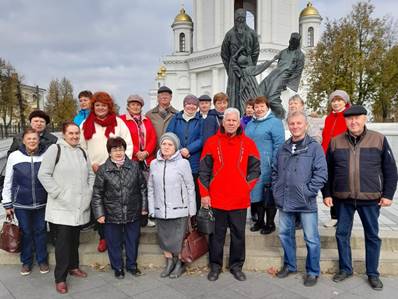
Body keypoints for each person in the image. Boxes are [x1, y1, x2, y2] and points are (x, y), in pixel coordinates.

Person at [322, 105, 398, 291]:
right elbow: (326, 171)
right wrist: (327, 193)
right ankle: (345, 269)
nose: (353, 122)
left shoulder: (378, 139)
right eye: (349, 119)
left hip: (370, 198)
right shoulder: (335, 142)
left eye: (357, 118)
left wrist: (388, 194)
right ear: (345, 121)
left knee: (372, 236)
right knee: (341, 234)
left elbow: (390, 169)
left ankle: (372, 273)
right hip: (343, 198)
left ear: (365, 119)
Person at [199, 108, 260, 282]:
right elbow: (204, 171)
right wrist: (205, 194)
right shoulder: (211, 142)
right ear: (223, 122)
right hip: (216, 198)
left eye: (234, 120)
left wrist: (245, 187)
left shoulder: (249, 143)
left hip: (239, 199)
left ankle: (236, 266)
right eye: (228, 120)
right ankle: (215, 266)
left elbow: (256, 170)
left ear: (238, 122)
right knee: (216, 236)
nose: (231, 123)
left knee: (238, 235)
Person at [38, 122, 95, 294]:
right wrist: (58, 193)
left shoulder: (82, 152)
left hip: (79, 206)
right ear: (64, 134)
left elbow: (90, 174)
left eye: (77, 133)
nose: (74, 136)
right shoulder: (55, 150)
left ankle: (73, 266)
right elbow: (43, 174)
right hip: (61, 207)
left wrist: (88, 191)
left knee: (74, 240)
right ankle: (60, 278)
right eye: (71, 133)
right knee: (62, 243)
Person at [273, 111, 328, 287]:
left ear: (305, 125)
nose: (295, 126)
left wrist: (308, 191)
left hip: (306, 202)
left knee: (311, 238)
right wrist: (277, 189)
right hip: (285, 200)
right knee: (285, 235)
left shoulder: (314, 147)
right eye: (292, 124)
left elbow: (321, 173)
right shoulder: (283, 147)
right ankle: (290, 265)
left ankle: (312, 271)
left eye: (299, 123)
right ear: (288, 126)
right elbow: (275, 171)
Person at [80, 91, 133, 252]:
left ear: (108, 106)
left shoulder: (118, 123)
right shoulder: (85, 124)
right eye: (97, 105)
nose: (100, 108)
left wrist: (120, 164)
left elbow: (128, 145)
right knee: (99, 204)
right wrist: (91, 165)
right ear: (93, 107)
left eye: (103, 105)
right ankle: (103, 237)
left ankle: (121, 236)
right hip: (95, 171)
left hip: (117, 170)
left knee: (118, 204)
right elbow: (81, 148)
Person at [92, 137, 147, 279]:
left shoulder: (134, 166)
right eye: (114, 149)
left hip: (132, 210)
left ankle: (132, 265)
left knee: (132, 240)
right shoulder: (103, 170)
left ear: (124, 150)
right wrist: (99, 214)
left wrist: (144, 208)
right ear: (109, 152)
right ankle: (117, 267)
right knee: (114, 242)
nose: (118, 152)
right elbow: (97, 193)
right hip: (111, 213)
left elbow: (143, 188)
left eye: (120, 149)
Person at [148, 132, 196, 279]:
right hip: (160, 210)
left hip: (179, 210)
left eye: (170, 144)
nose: (166, 147)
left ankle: (179, 264)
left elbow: (190, 187)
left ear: (176, 147)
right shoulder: (154, 164)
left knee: (179, 239)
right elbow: (150, 188)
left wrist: (191, 210)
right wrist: (151, 209)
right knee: (164, 238)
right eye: (164, 144)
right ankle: (169, 262)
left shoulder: (183, 163)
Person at [2, 128, 49, 276]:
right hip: (21, 203)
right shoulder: (15, 156)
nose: (32, 141)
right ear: (23, 141)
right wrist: (7, 203)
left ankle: (42, 260)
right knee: (26, 232)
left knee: (41, 231)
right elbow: (8, 181)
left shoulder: (46, 155)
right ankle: (26, 262)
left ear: (39, 140)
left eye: (34, 138)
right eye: (29, 139)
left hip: (42, 202)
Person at [245, 96, 285, 234]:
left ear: (267, 107)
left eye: (262, 106)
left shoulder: (275, 122)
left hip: (268, 165)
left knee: (268, 194)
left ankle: (270, 223)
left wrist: (274, 163)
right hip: (252, 166)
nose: (259, 109)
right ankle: (260, 221)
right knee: (257, 195)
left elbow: (279, 145)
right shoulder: (251, 123)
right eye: (256, 107)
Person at [166, 95, 203, 210]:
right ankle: (180, 217)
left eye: (194, 104)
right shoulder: (175, 119)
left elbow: (202, 138)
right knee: (178, 189)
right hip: (177, 158)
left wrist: (189, 149)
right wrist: (181, 149)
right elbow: (170, 135)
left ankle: (194, 218)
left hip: (194, 160)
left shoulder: (201, 120)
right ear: (184, 105)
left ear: (197, 107)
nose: (191, 106)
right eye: (189, 103)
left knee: (194, 190)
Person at [321, 90, 351, 228]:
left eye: (339, 100)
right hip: (328, 154)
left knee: (342, 186)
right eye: (333, 100)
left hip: (343, 155)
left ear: (345, 101)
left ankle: (343, 216)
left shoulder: (349, 116)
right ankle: (334, 215)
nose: (336, 103)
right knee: (329, 185)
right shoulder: (329, 118)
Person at [221, 8, 259, 114]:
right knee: (233, 94)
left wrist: (250, 65)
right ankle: (233, 116)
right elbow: (224, 53)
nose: (240, 21)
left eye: (242, 18)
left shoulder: (252, 33)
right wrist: (230, 69)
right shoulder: (229, 34)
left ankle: (251, 115)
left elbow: (256, 51)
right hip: (234, 69)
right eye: (238, 18)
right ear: (235, 19)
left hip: (248, 68)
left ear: (245, 19)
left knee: (251, 92)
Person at [259, 33, 305, 119]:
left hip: (285, 76)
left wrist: (288, 84)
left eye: (296, 42)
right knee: (259, 91)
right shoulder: (283, 52)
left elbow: (298, 71)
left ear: (298, 43)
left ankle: (282, 115)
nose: (293, 43)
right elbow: (272, 60)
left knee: (272, 97)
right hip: (274, 73)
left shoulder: (300, 55)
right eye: (292, 41)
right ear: (289, 41)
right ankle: (267, 115)